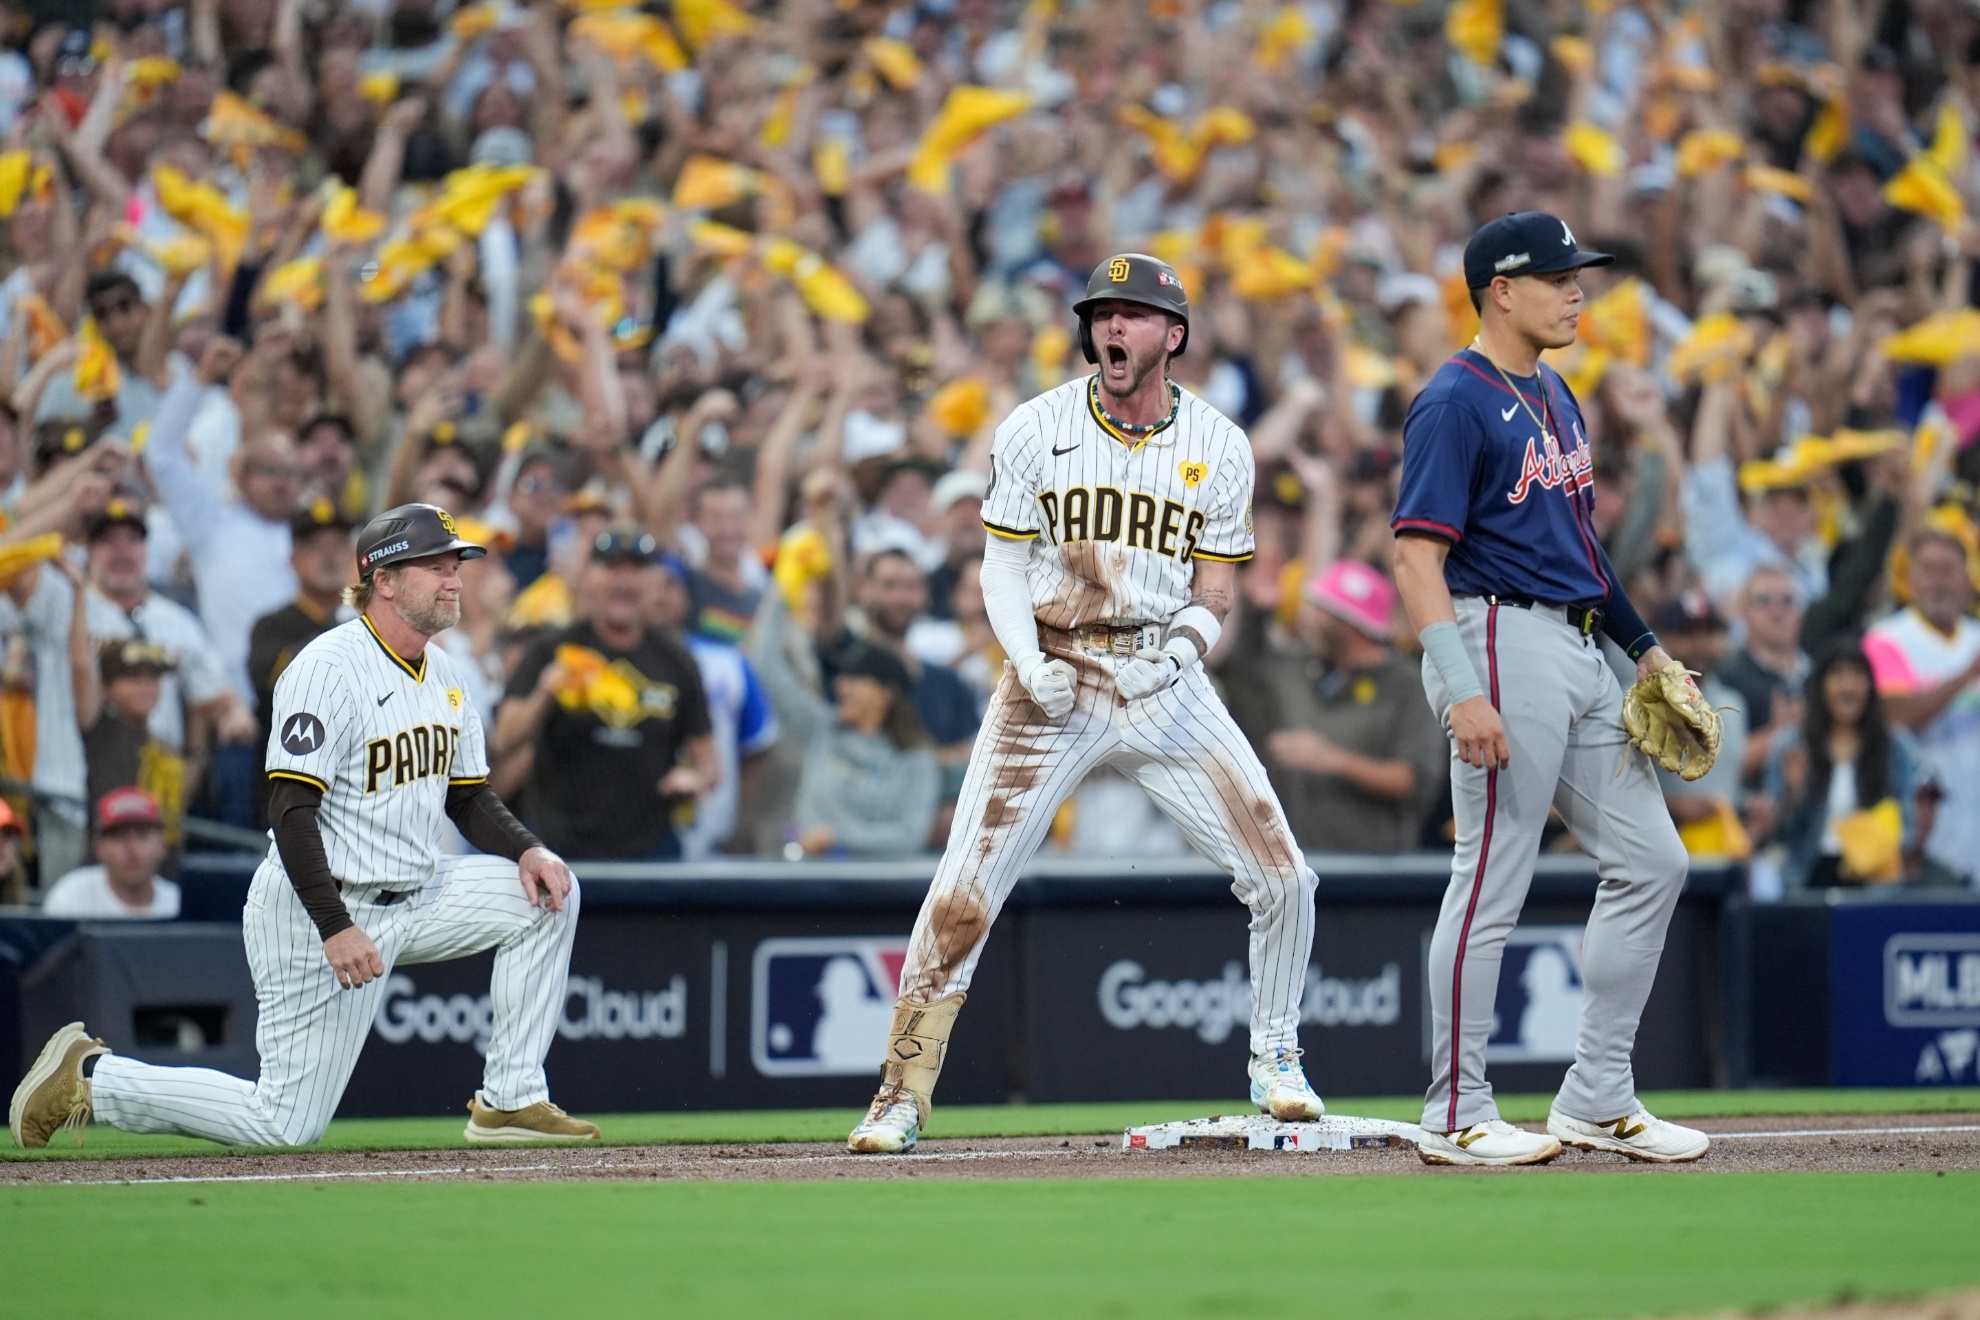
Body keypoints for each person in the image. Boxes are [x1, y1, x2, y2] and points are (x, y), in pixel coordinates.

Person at [847, 255, 1323, 1155]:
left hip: (1163, 675)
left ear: (1172, 336)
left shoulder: (1221, 444)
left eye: (1134, 315)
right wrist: (1024, 657)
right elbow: (1001, 562)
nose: (1112, 327)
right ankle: (901, 1092)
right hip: (1052, 670)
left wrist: (1181, 651)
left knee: (1285, 875)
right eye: (1102, 313)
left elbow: (1217, 591)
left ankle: (1276, 1055)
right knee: (963, 891)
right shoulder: (1036, 426)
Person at [9, 504, 597, 1148]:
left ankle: (510, 1101)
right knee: (283, 1123)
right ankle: (93, 1082)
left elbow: (468, 796)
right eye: (435, 565)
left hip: (417, 892)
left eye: (455, 564)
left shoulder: (447, 674)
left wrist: (529, 848)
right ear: (386, 581)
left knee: (549, 896)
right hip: (318, 904)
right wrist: (335, 925)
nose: (454, 578)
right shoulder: (326, 668)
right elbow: (289, 811)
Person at [1391, 213, 1707, 1167]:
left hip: (1574, 646)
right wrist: (1460, 689)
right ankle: (1455, 1110)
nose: (1579, 291)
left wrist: (1645, 652)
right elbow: (1415, 559)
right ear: (1501, 289)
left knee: (1654, 862)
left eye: (1581, 275)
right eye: (1561, 276)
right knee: (1490, 877)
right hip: (1492, 636)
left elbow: (1585, 553)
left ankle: (1598, 1095)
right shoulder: (1454, 399)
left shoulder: (1559, 394)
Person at [496, 526, 718, 860]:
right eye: (613, 568)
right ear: (588, 578)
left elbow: (709, 762)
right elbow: (504, 737)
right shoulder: (551, 651)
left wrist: (696, 778)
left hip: (650, 853)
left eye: (637, 570)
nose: (625, 582)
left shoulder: (678, 663)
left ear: (653, 583)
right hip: (559, 853)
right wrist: (545, 693)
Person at [1245, 560, 1448, 853]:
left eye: (1321, 609)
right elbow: (1236, 664)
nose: (1309, 619)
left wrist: (1333, 759)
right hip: (1296, 868)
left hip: (1372, 873)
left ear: (1349, 624)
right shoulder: (1299, 671)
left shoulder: (1409, 686)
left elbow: (1416, 782)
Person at [754, 593, 938, 860]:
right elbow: (767, 669)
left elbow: (910, 837)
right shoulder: (823, 729)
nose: (841, 687)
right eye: (842, 679)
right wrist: (782, 591)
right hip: (808, 882)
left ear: (886, 694)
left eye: (855, 679)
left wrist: (838, 837)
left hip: (873, 893)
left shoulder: (916, 758)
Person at [1861, 529, 1980, 886]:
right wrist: (1965, 677)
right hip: (1924, 827)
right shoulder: (1887, 639)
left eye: (1948, 569)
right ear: (1909, 578)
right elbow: (1895, 715)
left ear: (1967, 578)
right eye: (1927, 569)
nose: (1938, 581)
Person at [1765, 643, 1921, 891]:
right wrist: (1793, 792)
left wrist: (1877, 839)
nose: (1848, 686)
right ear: (1821, 686)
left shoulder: (1896, 747)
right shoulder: (1792, 745)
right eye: (1837, 675)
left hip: (1874, 878)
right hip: (1807, 876)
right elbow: (1776, 834)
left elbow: (1908, 826)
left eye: (1858, 675)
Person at [248, 498, 358, 823]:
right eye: (315, 546)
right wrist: (344, 618)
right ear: (293, 561)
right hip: (292, 795)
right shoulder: (272, 626)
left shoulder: (370, 623)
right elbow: (281, 676)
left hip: (356, 792)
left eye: (339, 545)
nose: (330, 555)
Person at [40, 787, 179, 920]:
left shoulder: (178, 903)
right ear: (99, 847)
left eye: (142, 836)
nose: (132, 848)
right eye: (119, 837)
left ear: (162, 845)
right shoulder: (70, 897)